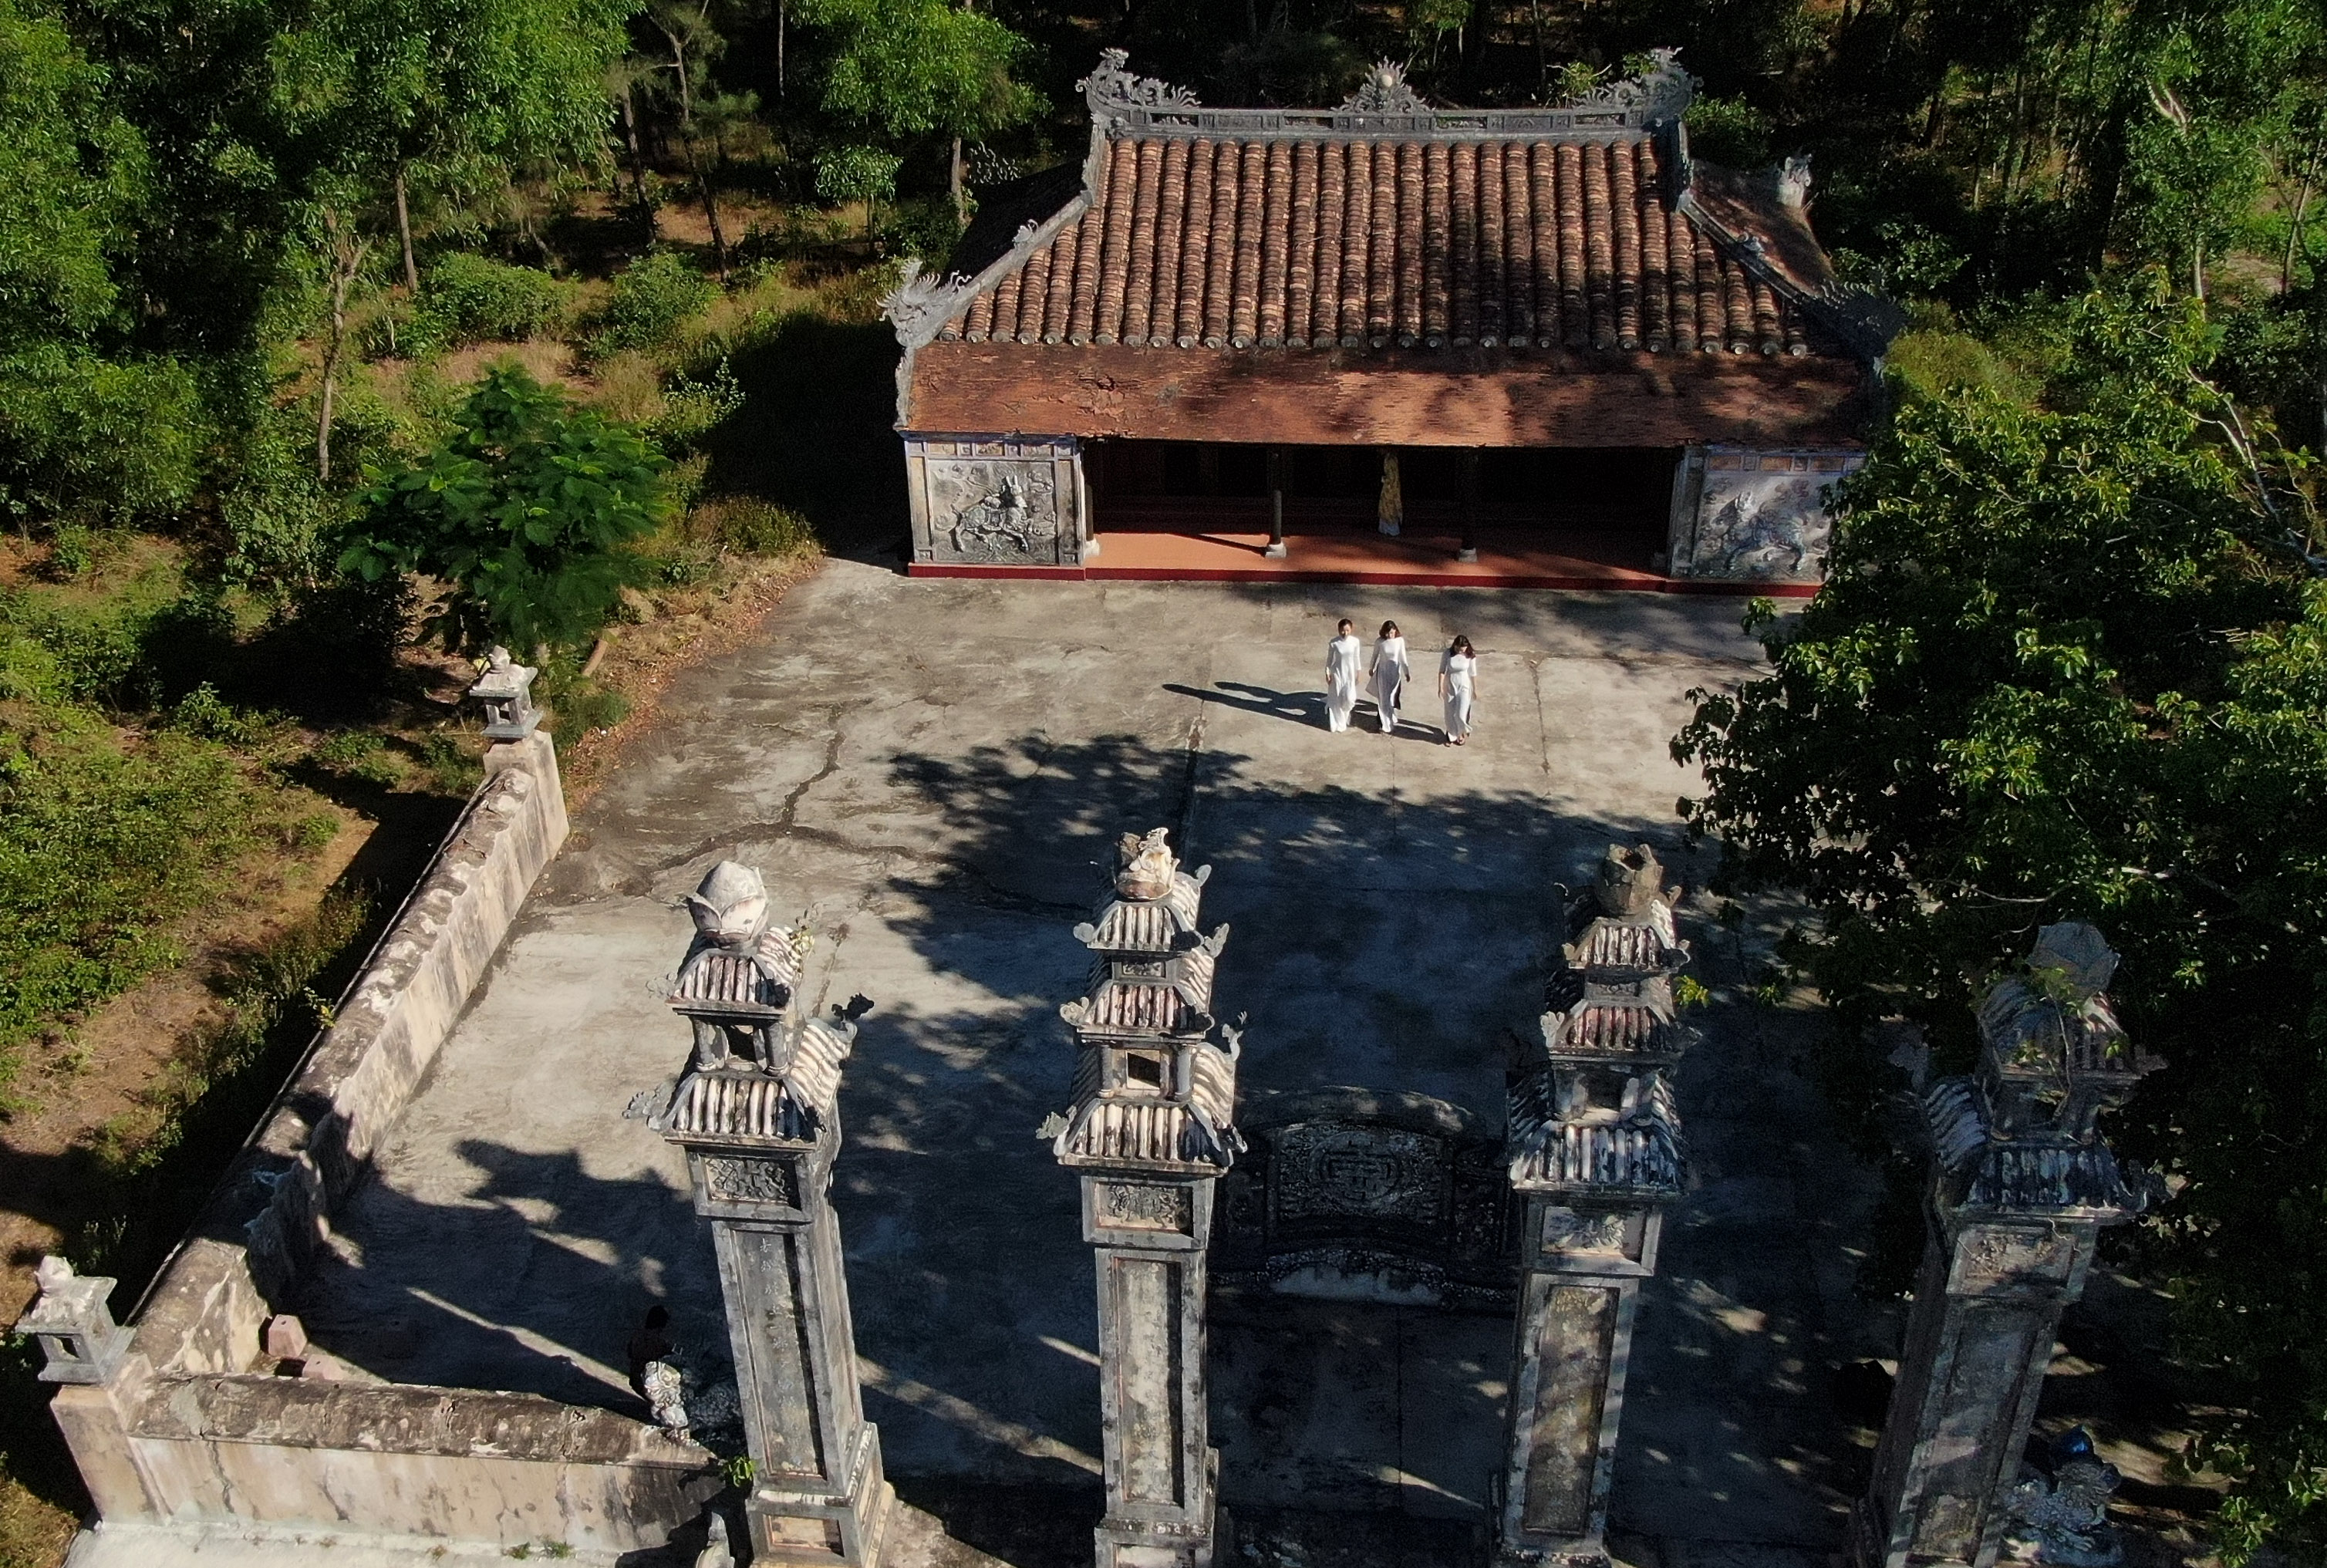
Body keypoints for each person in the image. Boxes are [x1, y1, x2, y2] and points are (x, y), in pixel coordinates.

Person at [1370, 620, 1409, 734]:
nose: (1389, 636)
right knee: (1383, 698)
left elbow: (1403, 658)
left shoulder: (1399, 641)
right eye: (1387, 633)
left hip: (1394, 673)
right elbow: (1375, 656)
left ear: (1395, 631)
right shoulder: (1380, 642)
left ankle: (1390, 717)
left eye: (1391, 633)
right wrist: (1371, 668)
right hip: (1383, 673)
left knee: (1392, 697)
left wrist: (1406, 672)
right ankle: (1383, 723)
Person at [1324, 619, 1363, 732]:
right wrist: (1327, 673)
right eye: (1342, 631)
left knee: (1350, 698)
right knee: (1337, 698)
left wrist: (1358, 672)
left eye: (1347, 630)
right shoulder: (1334, 642)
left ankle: (1345, 716)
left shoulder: (1355, 642)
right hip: (1337, 673)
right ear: (1338, 630)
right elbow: (1329, 660)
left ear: (1351, 630)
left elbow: (1357, 658)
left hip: (1349, 673)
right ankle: (1338, 722)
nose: (1345, 633)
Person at [1438, 635, 1479, 745]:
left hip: (1464, 686)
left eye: (1464, 648)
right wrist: (1440, 687)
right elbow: (1442, 670)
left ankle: (1462, 732)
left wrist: (1475, 689)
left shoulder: (1470, 655)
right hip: (1450, 685)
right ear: (1455, 646)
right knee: (1450, 713)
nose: (1462, 651)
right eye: (1459, 648)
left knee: (1461, 713)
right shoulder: (1448, 654)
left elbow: (1473, 673)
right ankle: (1451, 735)